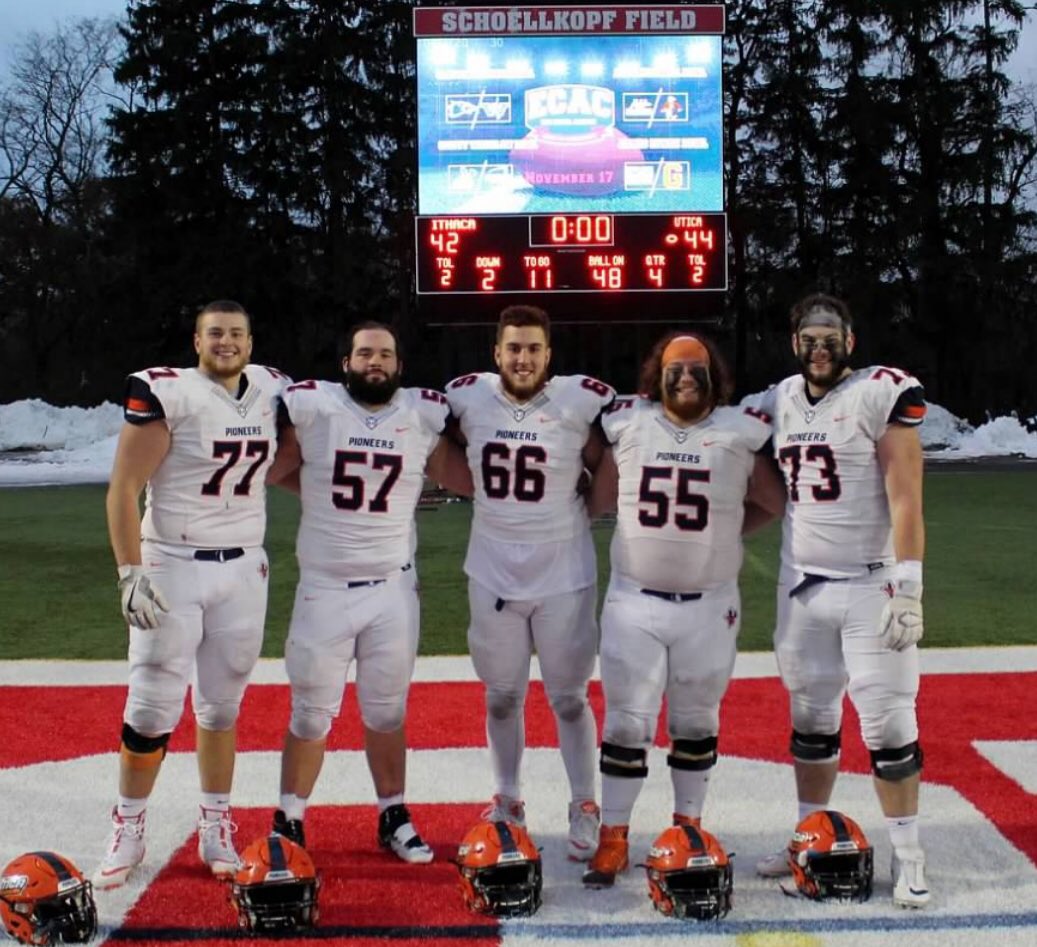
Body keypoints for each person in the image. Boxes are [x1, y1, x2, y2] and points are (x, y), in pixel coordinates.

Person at [94, 300, 289, 889]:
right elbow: (124, 487)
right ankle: (127, 824)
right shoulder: (168, 391)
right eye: (215, 334)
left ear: (251, 343)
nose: (226, 343)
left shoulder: (272, 390)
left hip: (243, 566)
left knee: (221, 705)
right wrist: (130, 571)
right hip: (173, 563)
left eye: (236, 334)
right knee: (153, 703)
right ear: (196, 341)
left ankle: (215, 822)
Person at [580, 332, 785, 888]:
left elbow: (775, 501)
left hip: (709, 605)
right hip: (634, 600)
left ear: (714, 374)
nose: (687, 376)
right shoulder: (629, 422)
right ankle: (614, 837)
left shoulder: (738, 432)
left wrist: (726, 534)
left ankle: (687, 828)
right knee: (626, 720)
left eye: (697, 368)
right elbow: (591, 494)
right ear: (657, 375)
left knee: (696, 721)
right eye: (676, 368)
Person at [751, 292, 930, 908]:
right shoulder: (778, 399)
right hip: (802, 585)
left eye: (830, 337)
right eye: (809, 338)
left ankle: (910, 856)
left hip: (869, 582)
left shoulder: (879, 392)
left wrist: (910, 585)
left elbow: (906, 495)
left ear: (849, 342)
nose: (819, 348)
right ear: (793, 342)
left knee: (888, 723)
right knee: (811, 721)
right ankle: (810, 834)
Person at [269, 321, 472, 864]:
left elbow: (467, 479)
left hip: (391, 590)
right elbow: (267, 469)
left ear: (400, 365)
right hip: (325, 588)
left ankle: (393, 814)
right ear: (346, 362)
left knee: (386, 710)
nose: (374, 361)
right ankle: (288, 817)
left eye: (385, 353)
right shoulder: (317, 409)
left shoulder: (420, 416)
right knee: (311, 713)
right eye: (364, 352)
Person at [445, 304, 614, 862]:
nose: (523, 358)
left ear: (549, 354)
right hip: (492, 567)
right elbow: (434, 446)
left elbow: (606, 455)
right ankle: (508, 800)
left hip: (563, 571)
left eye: (533, 349)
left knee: (568, 697)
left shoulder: (578, 399)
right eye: (513, 348)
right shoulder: (467, 396)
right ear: (496, 354)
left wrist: (590, 505)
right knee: (501, 697)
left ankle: (585, 803)